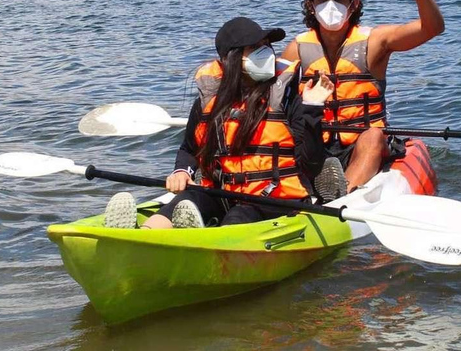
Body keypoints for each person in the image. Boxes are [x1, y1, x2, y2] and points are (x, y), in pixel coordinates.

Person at [103, 16, 335, 229]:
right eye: (254, 48)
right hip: (225, 194)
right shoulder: (209, 102)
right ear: (230, 59)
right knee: (188, 199)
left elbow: (310, 164)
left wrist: (312, 108)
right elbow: (189, 149)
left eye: (266, 46)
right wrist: (182, 171)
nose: (266, 53)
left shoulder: (287, 97)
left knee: (240, 216)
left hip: (274, 201)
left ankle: (200, 243)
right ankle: (142, 234)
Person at [280, 0, 444, 199]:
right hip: (314, 144)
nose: (329, 4)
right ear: (311, 5)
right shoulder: (296, 48)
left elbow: (432, 28)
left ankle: (340, 196)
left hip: (360, 143)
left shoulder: (376, 41)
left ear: (353, 4)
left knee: (372, 136)